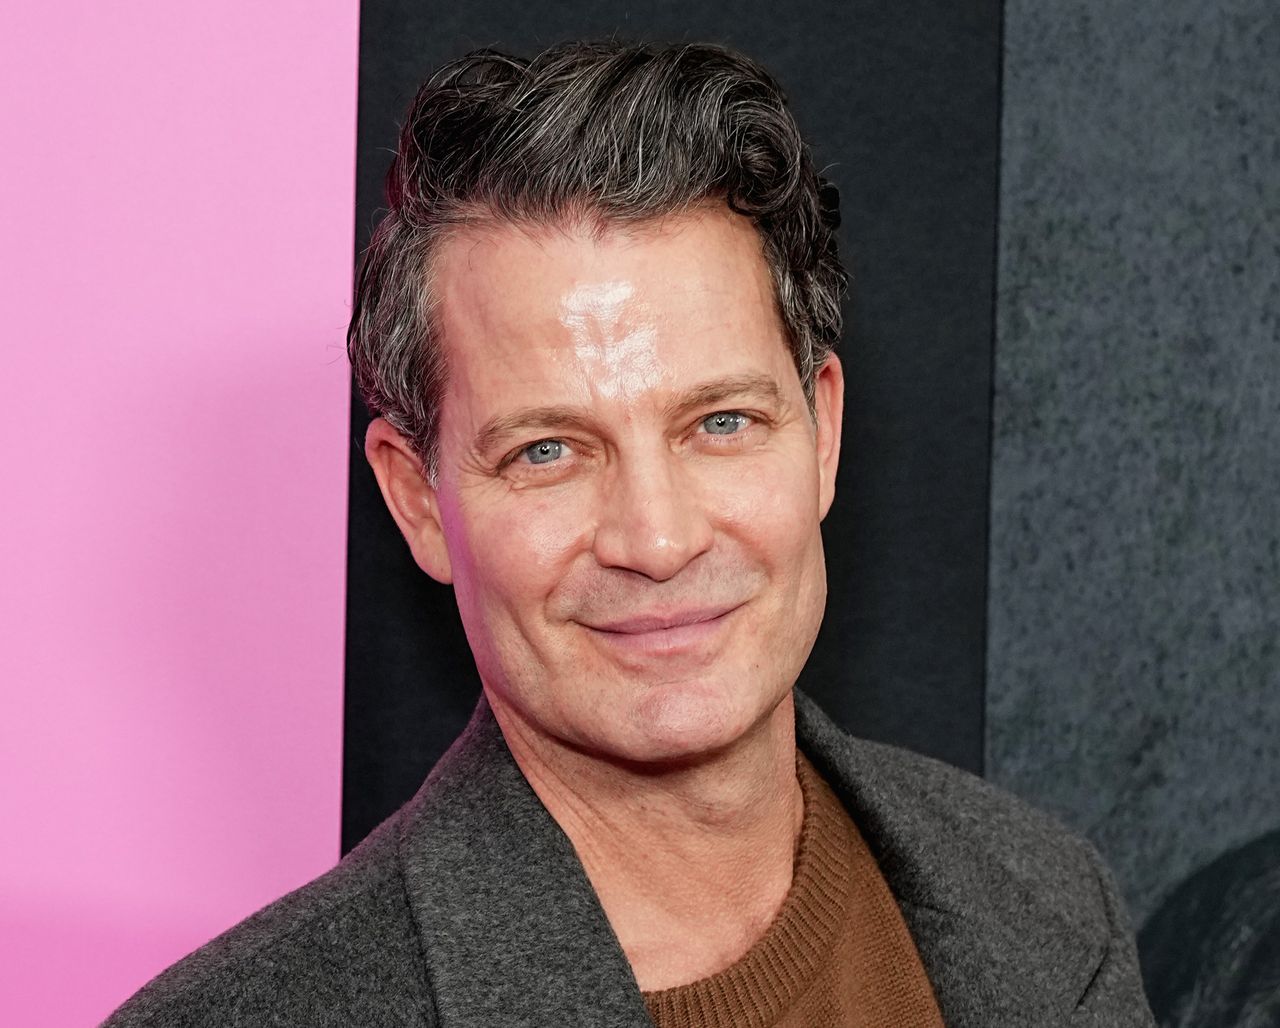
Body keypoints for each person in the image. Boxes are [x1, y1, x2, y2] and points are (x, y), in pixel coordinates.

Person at [105, 40, 1156, 1027]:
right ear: (418, 500)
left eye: (720, 423)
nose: (655, 540)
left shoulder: (1043, 899)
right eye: (548, 451)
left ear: (821, 431)